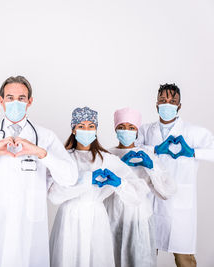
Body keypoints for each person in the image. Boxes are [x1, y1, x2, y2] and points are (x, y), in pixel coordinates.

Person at [0, 76, 78, 267]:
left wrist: (41, 153)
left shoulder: (45, 137)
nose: (15, 103)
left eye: (21, 98)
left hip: (30, 229)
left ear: (30, 101)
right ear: (1, 101)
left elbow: (70, 178)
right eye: (10, 98)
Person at [48, 107, 142, 267]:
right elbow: (54, 195)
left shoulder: (107, 159)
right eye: (81, 126)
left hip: (96, 218)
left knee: (96, 258)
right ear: (73, 129)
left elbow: (136, 193)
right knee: (67, 258)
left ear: (96, 130)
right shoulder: (64, 158)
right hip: (69, 218)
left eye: (91, 126)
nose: (87, 130)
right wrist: (86, 179)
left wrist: (120, 184)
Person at [136, 83, 214, 267]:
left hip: (180, 204)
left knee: (184, 258)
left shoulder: (192, 132)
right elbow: (131, 150)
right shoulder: (146, 130)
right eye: (163, 100)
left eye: (172, 101)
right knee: (146, 254)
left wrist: (193, 152)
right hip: (151, 200)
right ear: (156, 104)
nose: (167, 104)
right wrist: (154, 149)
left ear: (179, 106)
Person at [106, 107, 176, 267]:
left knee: (139, 260)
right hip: (111, 217)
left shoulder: (147, 156)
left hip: (139, 218)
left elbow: (166, 192)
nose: (126, 131)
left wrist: (151, 168)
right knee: (111, 259)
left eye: (131, 128)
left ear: (137, 131)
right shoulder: (107, 154)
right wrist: (119, 166)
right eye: (122, 127)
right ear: (115, 129)